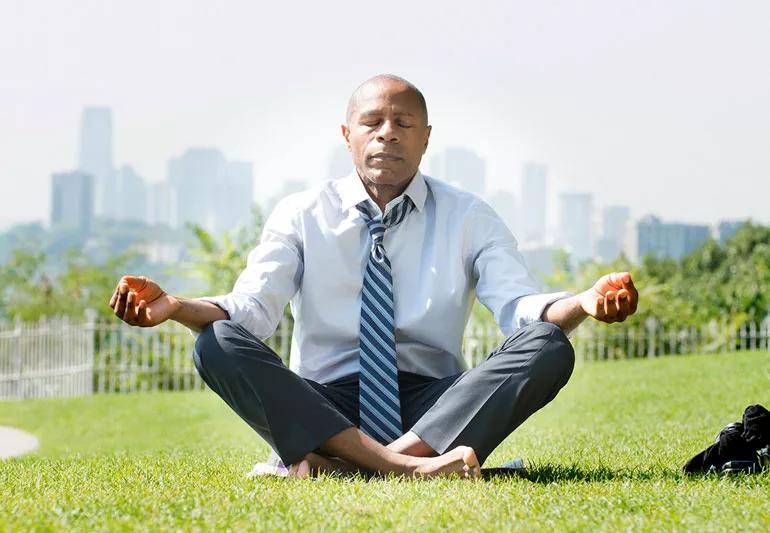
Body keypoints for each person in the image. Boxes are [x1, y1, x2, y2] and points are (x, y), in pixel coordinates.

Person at [109, 74, 638, 479]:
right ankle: (408, 470)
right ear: (347, 135)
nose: (388, 134)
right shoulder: (301, 213)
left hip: (435, 407)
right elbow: (252, 309)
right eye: (373, 122)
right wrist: (177, 306)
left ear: (426, 138)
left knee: (547, 343)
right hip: (324, 404)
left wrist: (585, 302)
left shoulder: (468, 215)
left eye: (404, 123)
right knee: (216, 343)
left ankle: (357, 465)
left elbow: (520, 307)